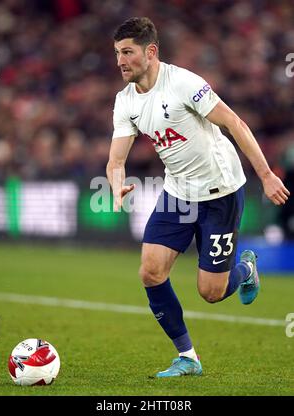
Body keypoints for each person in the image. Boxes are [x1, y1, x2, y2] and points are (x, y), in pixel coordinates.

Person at [106, 17, 290, 378]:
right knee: (150, 271)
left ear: (151, 51)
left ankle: (246, 268)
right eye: (116, 53)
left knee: (210, 291)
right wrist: (116, 185)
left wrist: (266, 175)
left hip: (221, 192)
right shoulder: (125, 101)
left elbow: (234, 123)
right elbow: (116, 159)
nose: (120, 61)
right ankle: (188, 357)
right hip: (178, 194)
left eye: (127, 52)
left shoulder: (184, 84)